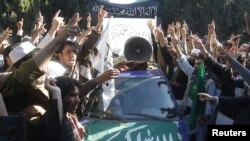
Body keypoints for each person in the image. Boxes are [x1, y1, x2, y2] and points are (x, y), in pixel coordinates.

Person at [40, 76, 85, 141]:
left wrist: (77, 123)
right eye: (73, 95)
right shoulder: (51, 120)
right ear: (60, 97)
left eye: (77, 95)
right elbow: (57, 115)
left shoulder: (67, 115)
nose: (78, 100)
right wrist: (56, 92)